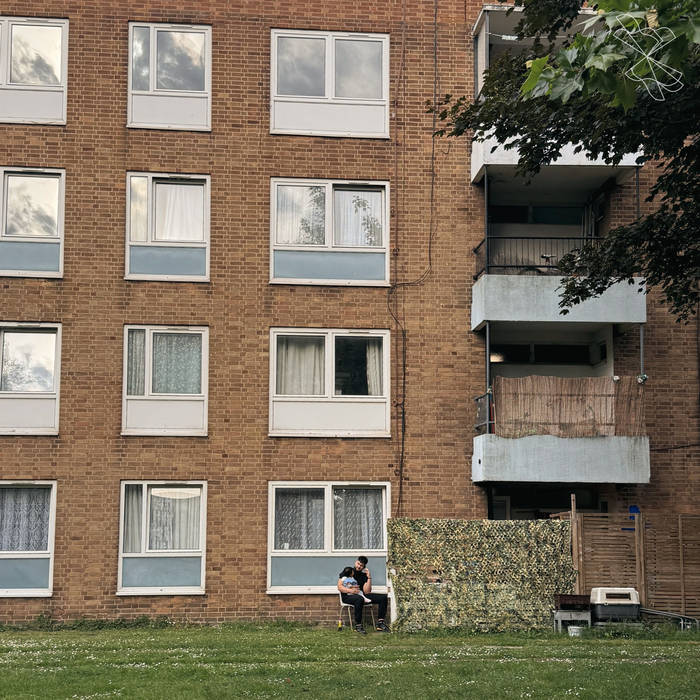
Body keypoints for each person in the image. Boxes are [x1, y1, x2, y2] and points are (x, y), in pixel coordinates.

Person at [337, 555, 390, 633]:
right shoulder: (348, 571)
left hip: (361, 594)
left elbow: (367, 591)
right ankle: (358, 626)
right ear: (356, 562)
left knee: (383, 598)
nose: (359, 566)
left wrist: (369, 577)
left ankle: (380, 624)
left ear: (364, 567)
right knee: (359, 599)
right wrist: (351, 591)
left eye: (361, 565)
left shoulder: (363, 575)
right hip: (347, 596)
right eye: (358, 564)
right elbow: (339, 587)